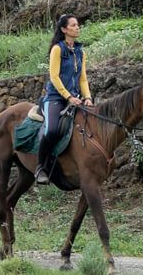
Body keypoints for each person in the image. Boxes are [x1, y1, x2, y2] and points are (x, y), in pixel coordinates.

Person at [36, 13, 93, 184]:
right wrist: (68, 96)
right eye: (73, 25)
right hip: (55, 98)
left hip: (75, 98)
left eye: (78, 25)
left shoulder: (80, 51)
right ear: (64, 29)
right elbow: (54, 76)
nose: (77, 27)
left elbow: (82, 78)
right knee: (52, 130)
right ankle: (41, 167)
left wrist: (88, 97)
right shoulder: (57, 49)